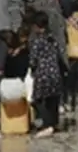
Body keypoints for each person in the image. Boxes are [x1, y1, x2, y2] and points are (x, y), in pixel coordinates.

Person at [23, 8, 66, 137]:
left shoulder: (37, 41)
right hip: (55, 74)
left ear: (36, 26)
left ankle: (47, 125)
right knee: (53, 100)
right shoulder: (53, 39)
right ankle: (54, 123)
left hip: (43, 75)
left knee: (37, 100)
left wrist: (31, 68)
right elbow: (59, 55)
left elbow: (33, 59)